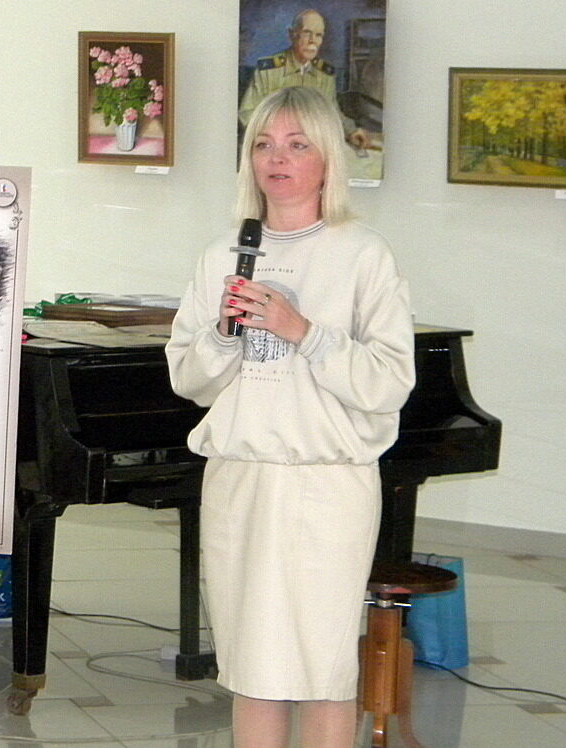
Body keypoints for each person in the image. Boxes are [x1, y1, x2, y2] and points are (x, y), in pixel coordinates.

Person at [166, 86, 415, 747]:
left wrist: (301, 329)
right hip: (240, 479)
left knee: (320, 667)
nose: (277, 159)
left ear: (328, 158)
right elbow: (189, 379)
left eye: (297, 144)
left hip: (326, 485)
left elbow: (390, 381)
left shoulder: (363, 254)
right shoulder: (221, 254)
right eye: (263, 144)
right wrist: (224, 333)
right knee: (251, 666)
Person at [238, 9, 372, 151]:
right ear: (292, 35)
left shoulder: (324, 74)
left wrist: (351, 131)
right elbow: (247, 114)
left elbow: (331, 112)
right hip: (276, 146)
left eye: (318, 35)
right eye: (307, 33)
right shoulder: (269, 71)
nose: (312, 41)